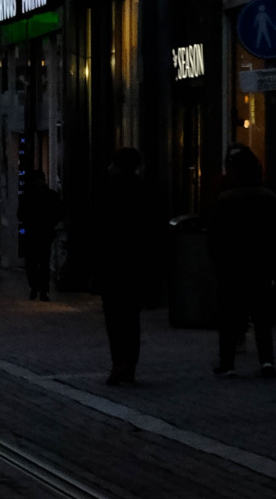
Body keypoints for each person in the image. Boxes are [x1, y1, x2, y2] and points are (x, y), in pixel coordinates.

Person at [207, 146, 276, 378]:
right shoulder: (270, 198)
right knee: (262, 317)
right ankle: (267, 360)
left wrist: (219, 262)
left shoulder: (225, 200)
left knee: (230, 317)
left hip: (231, 267)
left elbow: (214, 236)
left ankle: (228, 363)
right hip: (261, 266)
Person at [95, 147, 164, 386]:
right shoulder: (146, 191)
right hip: (136, 266)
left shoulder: (107, 191)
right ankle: (129, 364)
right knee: (131, 318)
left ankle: (119, 362)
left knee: (115, 318)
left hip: (113, 266)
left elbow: (99, 229)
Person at [17, 170, 63, 301]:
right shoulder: (51, 195)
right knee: (44, 263)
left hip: (32, 233)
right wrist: (51, 224)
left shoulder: (27, 196)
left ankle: (34, 288)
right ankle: (43, 290)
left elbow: (20, 214)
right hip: (45, 233)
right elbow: (59, 212)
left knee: (31, 263)